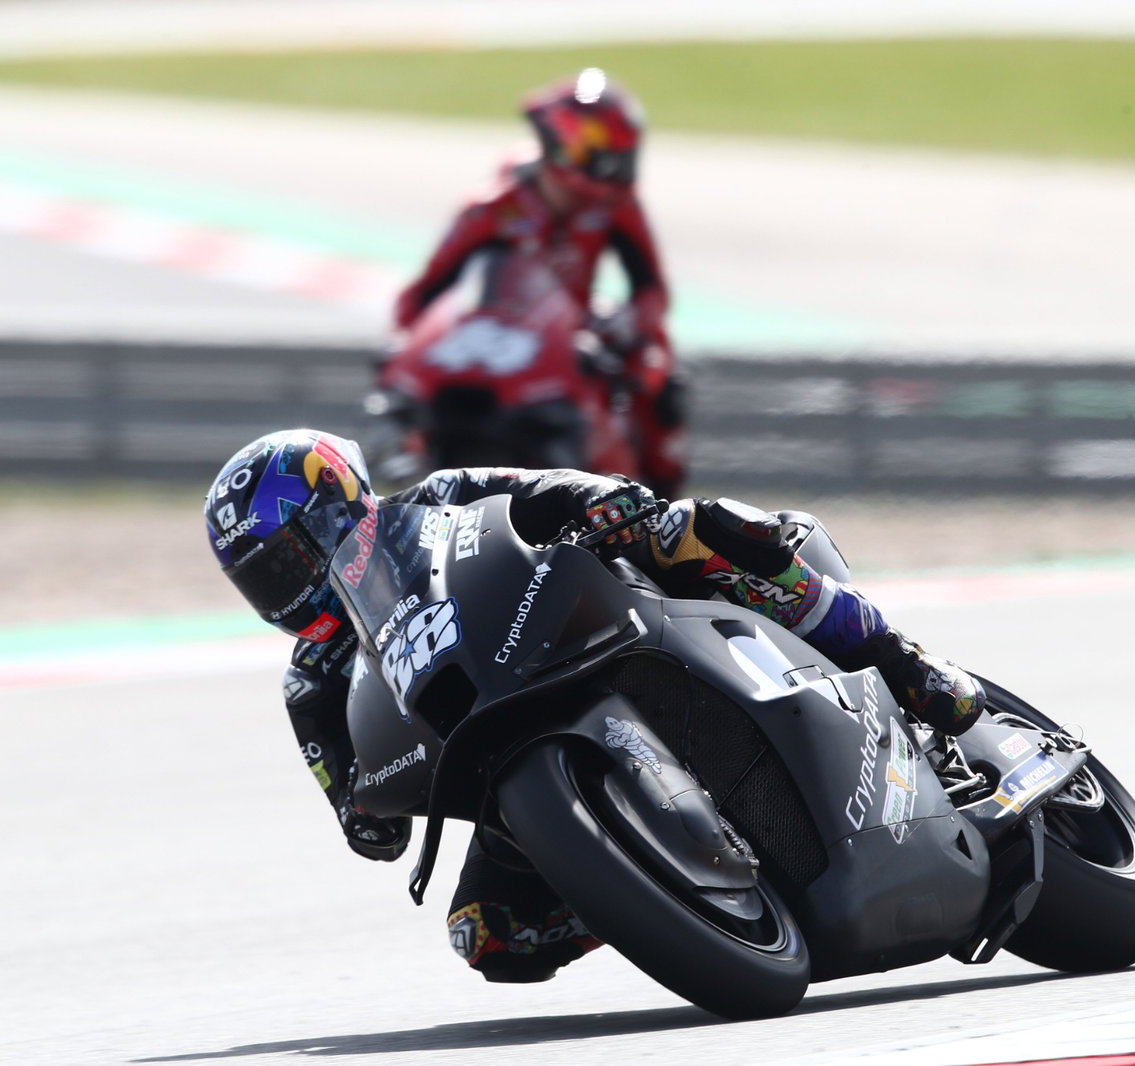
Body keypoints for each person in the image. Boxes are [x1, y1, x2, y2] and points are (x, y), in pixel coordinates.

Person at [204, 428, 985, 983]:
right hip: (496, 752)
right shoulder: (311, 680)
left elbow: (539, 494)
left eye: (292, 556)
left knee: (687, 530)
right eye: (265, 578)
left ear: (339, 502)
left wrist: (610, 509)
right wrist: (363, 808)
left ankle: (899, 660)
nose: (290, 586)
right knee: (490, 938)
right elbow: (353, 810)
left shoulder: (437, 501)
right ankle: (656, 887)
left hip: (585, 626)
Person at [392, 67, 688, 499]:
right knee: (407, 410)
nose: (615, 169)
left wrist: (628, 326)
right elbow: (425, 294)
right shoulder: (491, 208)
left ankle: (665, 509)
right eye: (601, 153)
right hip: (493, 347)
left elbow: (652, 289)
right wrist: (406, 347)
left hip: (575, 340)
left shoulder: (617, 207)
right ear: (561, 144)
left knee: (657, 371)